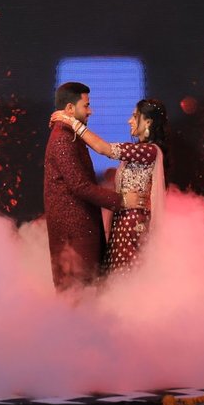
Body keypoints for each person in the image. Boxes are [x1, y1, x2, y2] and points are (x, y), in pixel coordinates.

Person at [51, 98, 168, 274]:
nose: (130, 120)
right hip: (123, 222)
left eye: (135, 116)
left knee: (128, 277)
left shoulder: (149, 151)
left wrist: (70, 121)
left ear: (148, 122)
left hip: (133, 226)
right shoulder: (138, 150)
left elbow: (104, 149)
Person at [43, 82, 141, 291]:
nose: (90, 111)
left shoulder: (71, 136)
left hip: (81, 227)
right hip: (74, 231)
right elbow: (79, 186)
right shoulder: (63, 139)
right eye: (86, 106)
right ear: (70, 108)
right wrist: (122, 201)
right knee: (79, 296)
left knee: (86, 295)